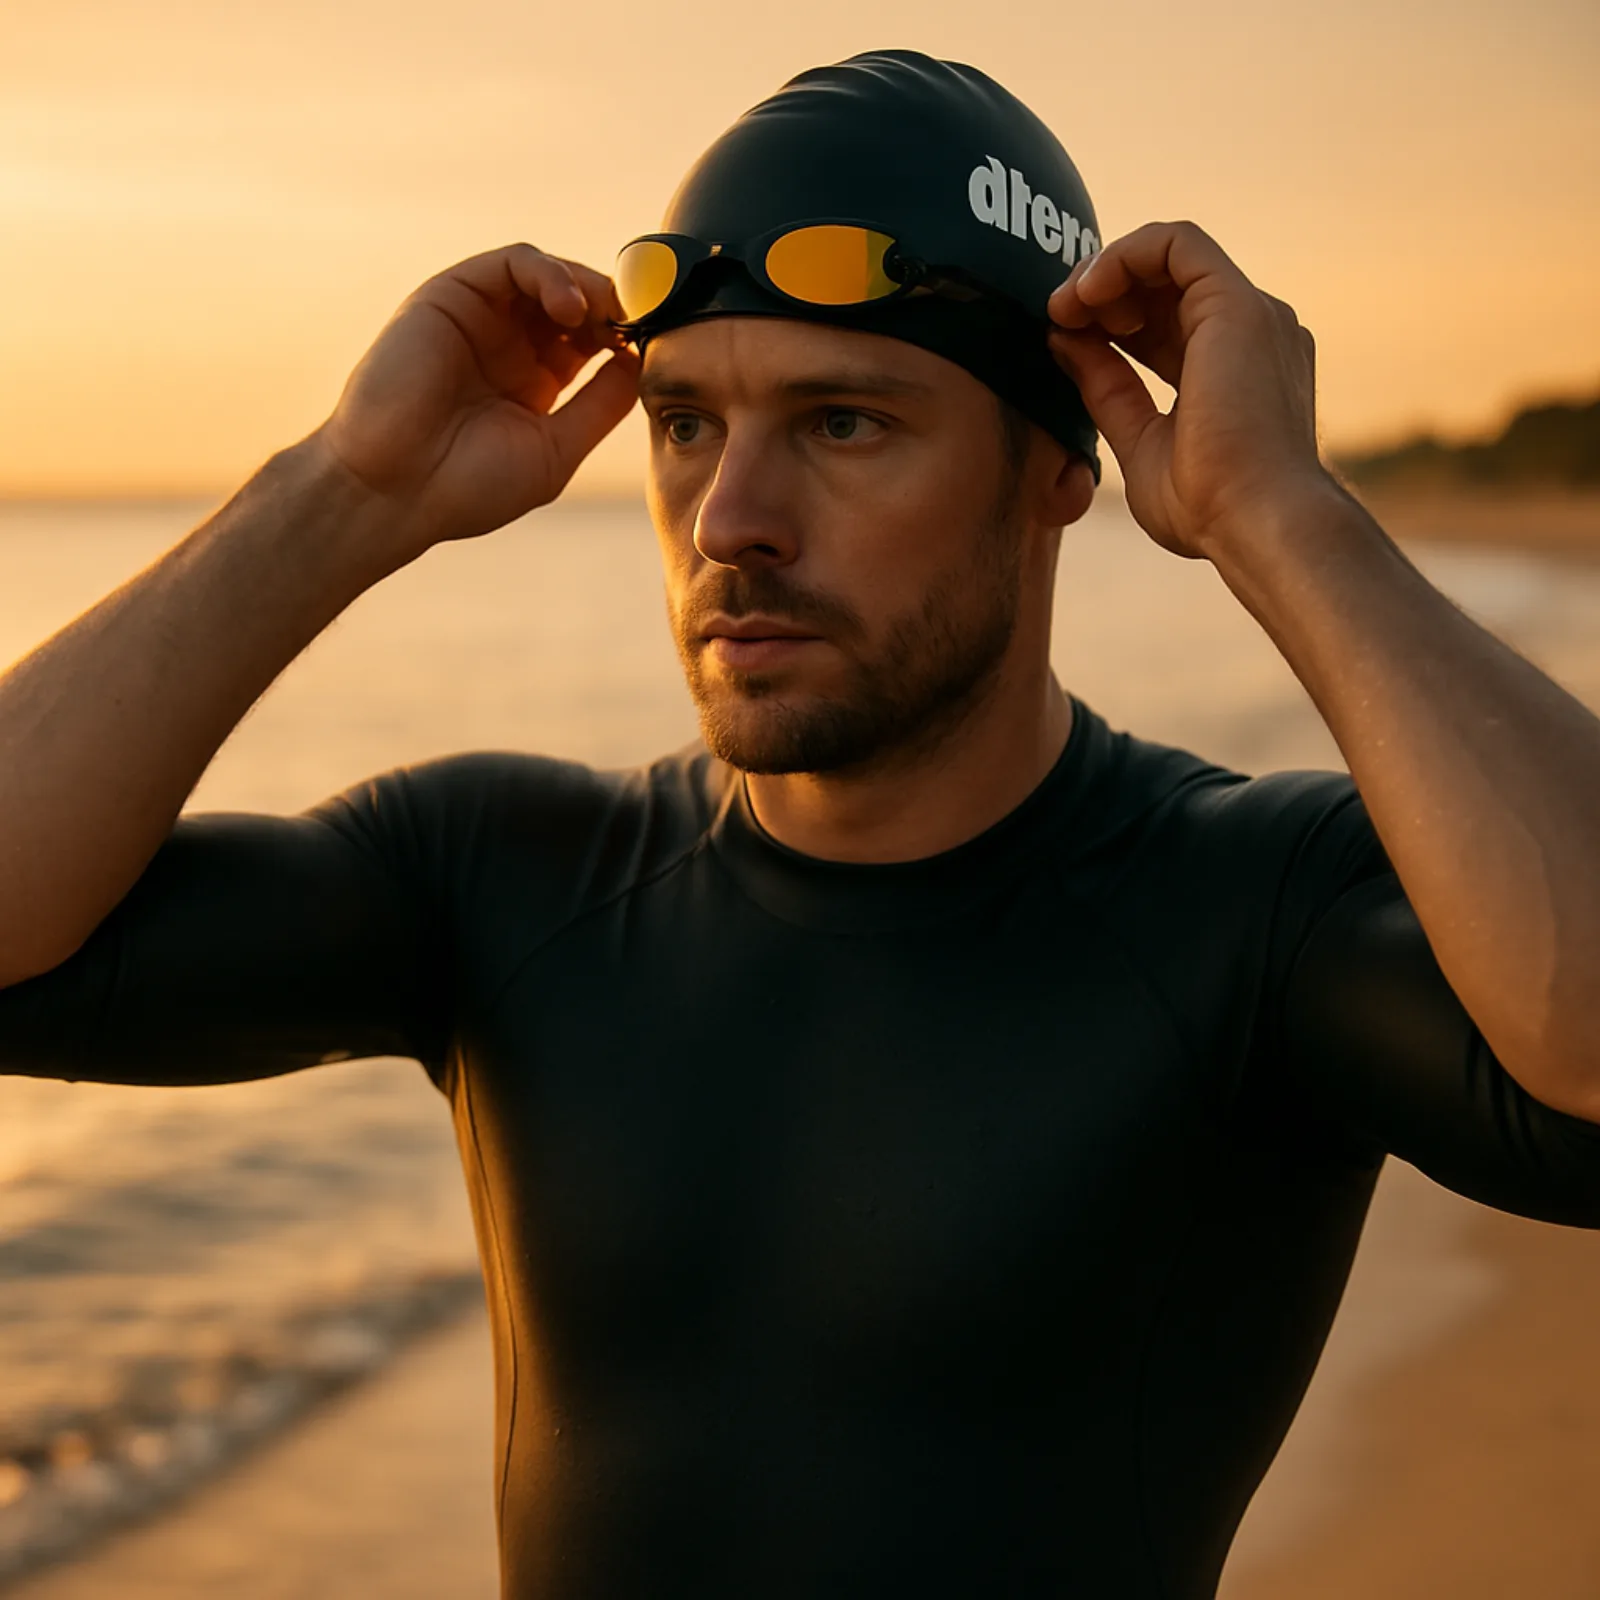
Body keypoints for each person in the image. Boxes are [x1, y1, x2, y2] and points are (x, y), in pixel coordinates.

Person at [2, 47, 1599, 1599]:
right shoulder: (503, 875)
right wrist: (348, 489)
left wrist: (1281, 517)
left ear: (1059, 471)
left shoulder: (1254, 912)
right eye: (685, 423)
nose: (730, 522)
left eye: (844, 423)